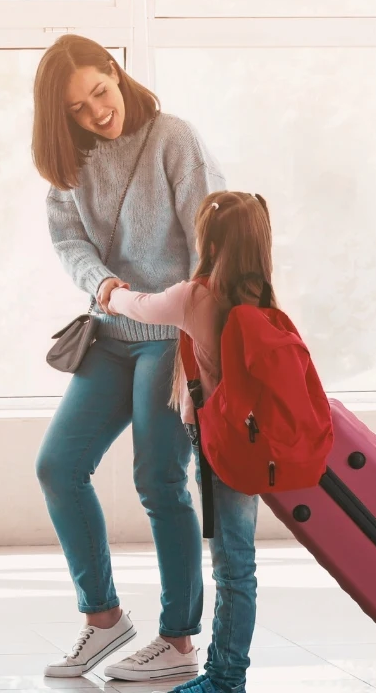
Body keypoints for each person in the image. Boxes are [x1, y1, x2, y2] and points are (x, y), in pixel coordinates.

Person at [31, 34, 225, 683]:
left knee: (159, 482)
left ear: (116, 72)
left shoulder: (174, 139)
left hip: (171, 340)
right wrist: (105, 285)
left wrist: (200, 341)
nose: (97, 113)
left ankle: (178, 640)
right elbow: (69, 241)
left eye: (100, 93)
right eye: (79, 110)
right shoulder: (71, 162)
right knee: (59, 467)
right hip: (111, 332)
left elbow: (209, 238)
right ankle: (104, 619)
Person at [103, 192, 275, 693]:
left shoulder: (196, 297)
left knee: (231, 567)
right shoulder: (263, 299)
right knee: (239, 566)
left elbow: (138, 307)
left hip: (221, 448)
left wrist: (108, 291)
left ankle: (224, 679)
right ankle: (227, 674)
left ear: (212, 241)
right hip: (259, 445)